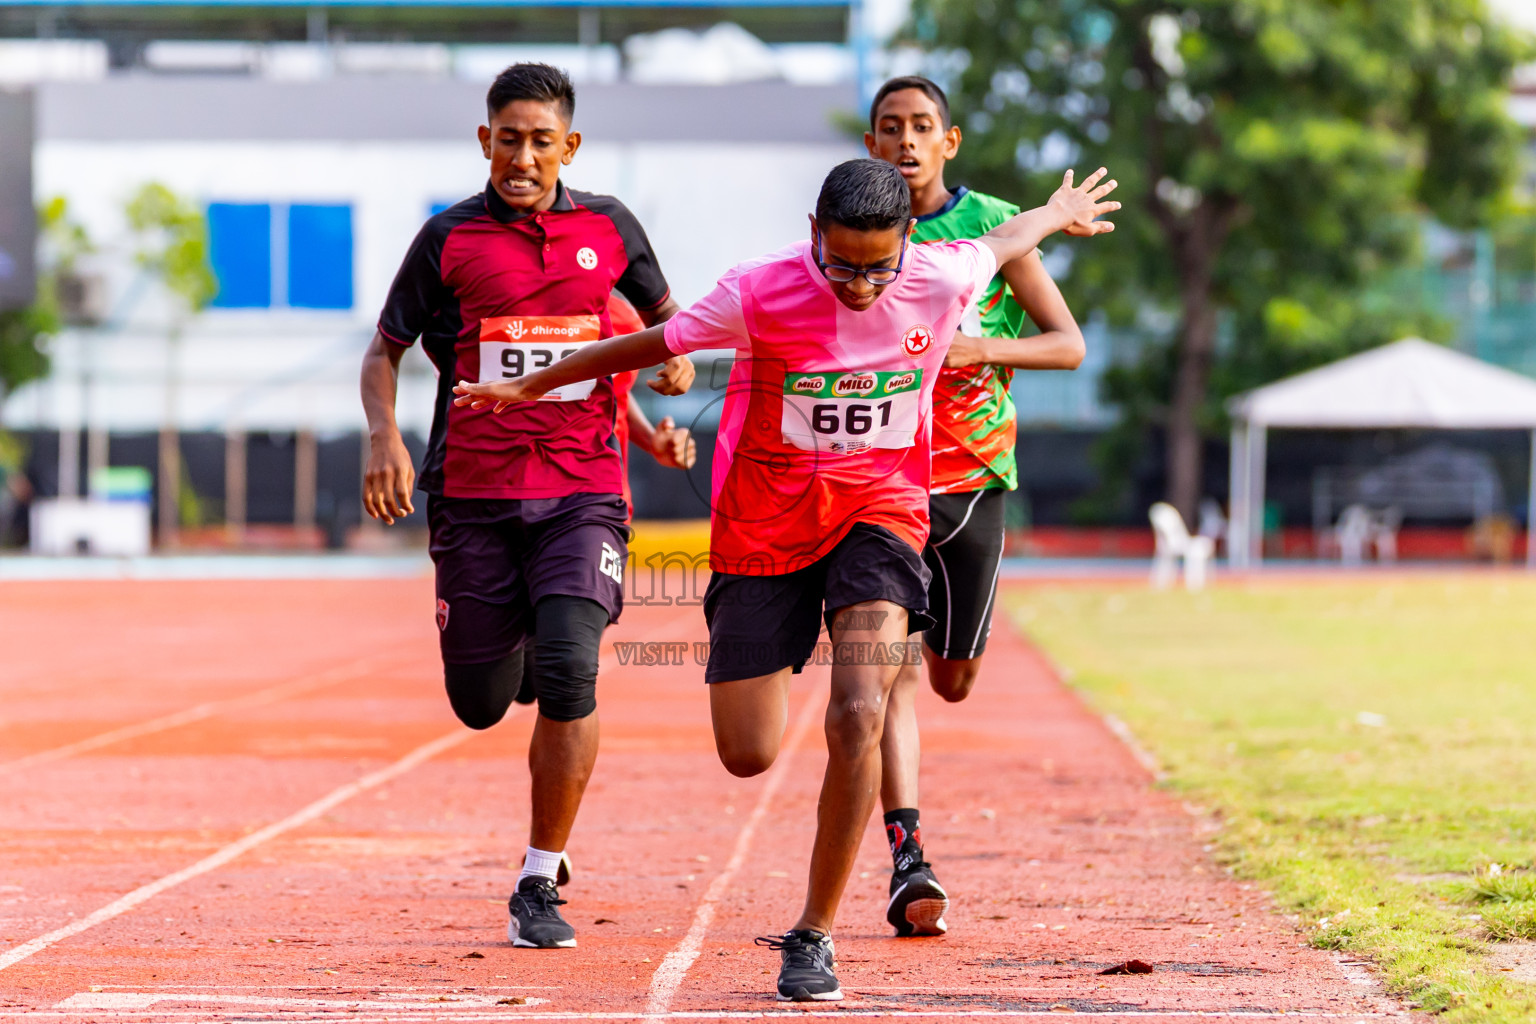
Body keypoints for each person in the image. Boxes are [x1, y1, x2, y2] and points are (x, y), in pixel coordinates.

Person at [453, 158, 1119, 999]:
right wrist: (533, 385)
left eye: (878, 266)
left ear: (908, 241)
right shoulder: (759, 290)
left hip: (878, 511)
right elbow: (646, 342)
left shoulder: (939, 273)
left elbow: (1002, 238)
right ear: (814, 234)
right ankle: (789, 659)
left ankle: (814, 935)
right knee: (747, 752)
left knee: (858, 711)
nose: (860, 287)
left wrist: (1056, 210)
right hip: (764, 526)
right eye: (842, 264)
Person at [359, 62, 695, 950]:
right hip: (472, 497)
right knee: (478, 699)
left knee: (572, 669)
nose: (523, 155)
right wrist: (383, 438)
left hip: (584, 491)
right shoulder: (447, 240)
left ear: (567, 146)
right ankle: (528, 657)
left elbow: (661, 328)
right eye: (509, 138)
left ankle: (538, 876)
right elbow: (383, 351)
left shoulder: (610, 228)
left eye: (542, 140)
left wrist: (674, 365)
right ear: (486, 140)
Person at [862, 75, 1091, 938]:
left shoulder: (991, 225)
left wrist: (981, 348)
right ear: (871, 140)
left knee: (950, 680)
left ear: (948, 142)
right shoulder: (852, 226)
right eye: (891, 128)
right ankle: (908, 855)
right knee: (886, 675)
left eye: (923, 127)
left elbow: (1069, 345)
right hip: (879, 485)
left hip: (973, 483)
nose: (907, 142)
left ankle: (925, 677)